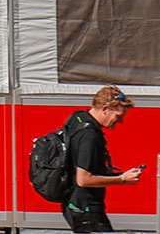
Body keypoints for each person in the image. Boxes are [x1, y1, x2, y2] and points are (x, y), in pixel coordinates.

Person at [60, 87, 143, 231]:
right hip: (86, 208)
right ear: (106, 108)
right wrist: (122, 179)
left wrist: (117, 174)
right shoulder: (89, 135)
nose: (120, 121)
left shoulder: (77, 118)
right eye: (118, 116)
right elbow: (84, 179)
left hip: (73, 203)